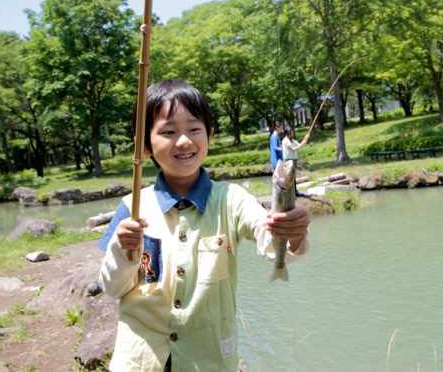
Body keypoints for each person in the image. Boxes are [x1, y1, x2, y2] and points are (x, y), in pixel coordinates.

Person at [98, 80, 310, 372]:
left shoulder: (232, 199)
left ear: (209, 135)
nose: (184, 141)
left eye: (194, 129)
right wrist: (123, 250)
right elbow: (112, 287)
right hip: (140, 362)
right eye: (169, 132)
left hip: (208, 360)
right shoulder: (132, 208)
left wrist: (293, 231)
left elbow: (267, 236)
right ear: (145, 145)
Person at [282, 126, 309, 196]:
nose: (291, 134)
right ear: (286, 134)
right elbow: (293, 149)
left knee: (293, 176)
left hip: (294, 160)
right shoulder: (285, 141)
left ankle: (295, 192)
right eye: (289, 133)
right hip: (288, 160)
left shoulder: (292, 140)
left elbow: (300, 145)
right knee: (289, 177)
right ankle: (290, 193)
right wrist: (302, 144)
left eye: (291, 132)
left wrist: (305, 139)